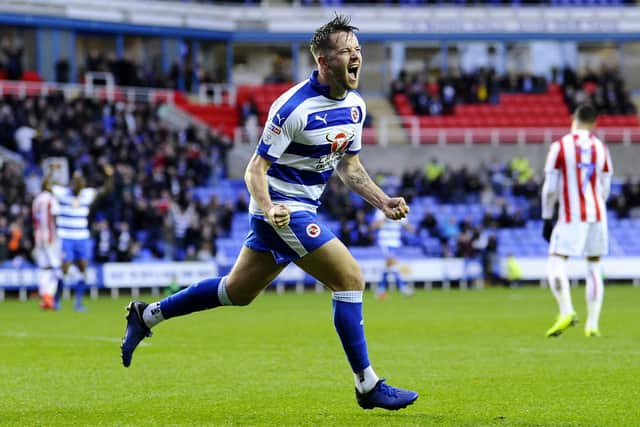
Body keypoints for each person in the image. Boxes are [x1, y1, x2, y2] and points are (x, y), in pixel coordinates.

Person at [120, 14, 418, 411]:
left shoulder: (356, 107)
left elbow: (350, 167)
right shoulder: (292, 108)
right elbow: (254, 169)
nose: (356, 56)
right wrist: (270, 206)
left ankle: (147, 315)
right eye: (346, 50)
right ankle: (367, 384)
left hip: (297, 208)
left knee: (237, 291)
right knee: (350, 278)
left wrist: (384, 201)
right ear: (324, 62)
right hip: (281, 209)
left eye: (358, 50)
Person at [541, 104, 612, 338]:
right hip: (598, 215)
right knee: (594, 265)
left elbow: (550, 189)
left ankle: (567, 311)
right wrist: (596, 204)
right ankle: (592, 324)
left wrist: (546, 217)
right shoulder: (601, 148)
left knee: (556, 262)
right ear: (595, 123)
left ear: (573, 118)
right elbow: (605, 186)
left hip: (572, 215)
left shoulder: (560, 146)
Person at [52, 164, 114, 311]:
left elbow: (107, 189)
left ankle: (78, 303)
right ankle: (57, 299)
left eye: (80, 181)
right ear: (72, 183)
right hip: (66, 236)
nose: (78, 184)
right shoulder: (62, 193)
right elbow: (46, 186)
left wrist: (110, 176)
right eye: (75, 181)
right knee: (65, 268)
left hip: (81, 237)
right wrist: (50, 172)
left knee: (82, 269)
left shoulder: (87, 194)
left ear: (84, 183)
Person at [31, 172, 62, 310]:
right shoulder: (51, 199)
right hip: (51, 237)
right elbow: (55, 218)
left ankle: (44, 297)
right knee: (56, 267)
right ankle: (50, 297)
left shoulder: (36, 200)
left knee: (44, 268)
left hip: (38, 237)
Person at [370, 209, 414, 300]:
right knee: (392, 264)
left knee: (389, 267)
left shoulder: (399, 211)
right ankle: (403, 287)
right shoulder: (381, 211)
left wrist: (411, 228)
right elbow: (374, 226)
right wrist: (385, 216)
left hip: (396, 242)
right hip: (385, 241)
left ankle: (380, 289)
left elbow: (407, 226)